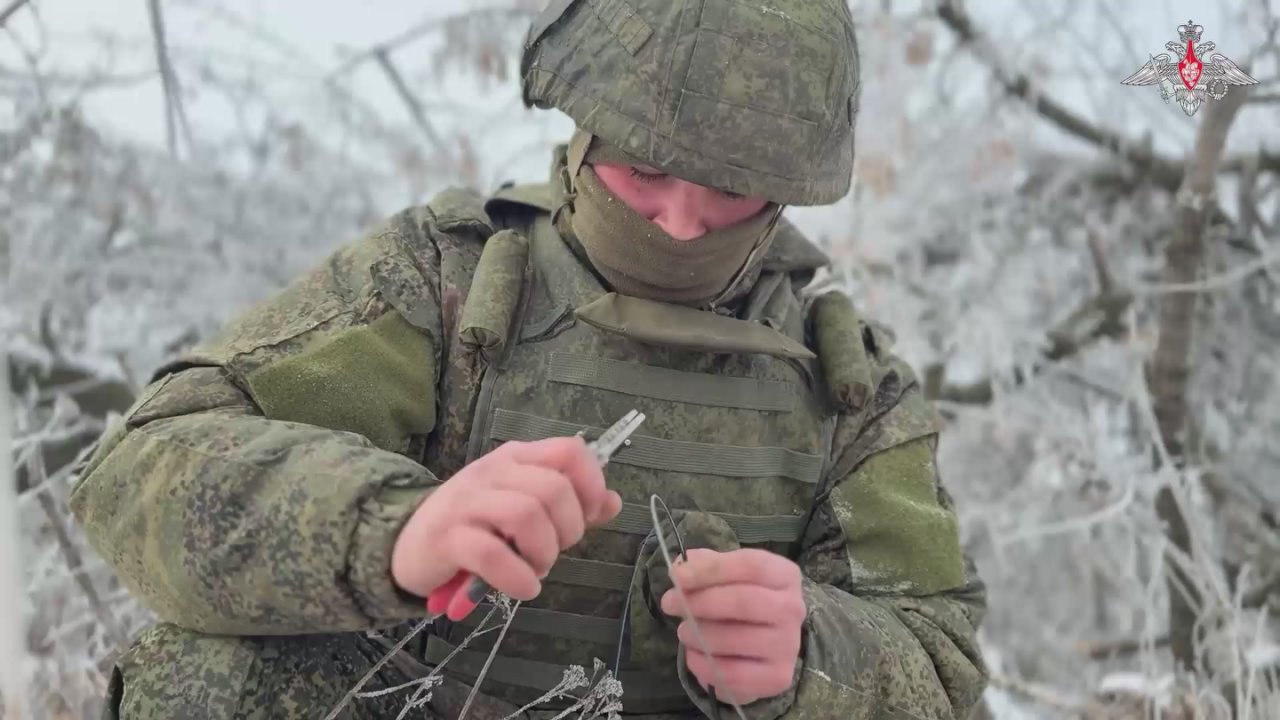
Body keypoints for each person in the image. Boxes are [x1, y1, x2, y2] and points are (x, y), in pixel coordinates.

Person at [70, 0, 989, 718]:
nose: (677, 220)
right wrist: (393, 531)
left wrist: (808, 654)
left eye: (733, 191)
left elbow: (941, 660)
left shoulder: (846, 380)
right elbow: (146, 467)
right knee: (212, 676)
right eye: (644, 169)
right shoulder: (449, 281)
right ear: (585, 135)